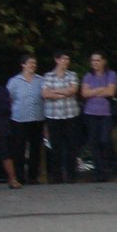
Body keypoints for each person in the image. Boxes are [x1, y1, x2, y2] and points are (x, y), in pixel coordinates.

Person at [41, 51, 82, 183]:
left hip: (70, 115)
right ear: (57, 60)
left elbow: (72, 90)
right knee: (55, 146)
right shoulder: (48, 76)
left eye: (68, 59)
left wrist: (55, 92)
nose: (66, 61)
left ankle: (72, 175)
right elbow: (45, 94)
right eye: (64, 59)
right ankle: (56, 176)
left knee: (71, 146)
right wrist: (62, 93)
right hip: (53, 116)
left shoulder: (72, 75)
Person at [79, 52, 117, 182]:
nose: (95, 63)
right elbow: (84, 93)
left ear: (103, 61)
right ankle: (100, 170)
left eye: (97, 60)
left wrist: (94, 91)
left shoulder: (111, 75)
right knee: (93, 142)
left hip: (106, 113)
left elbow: (110, 91)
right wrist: (100, 90)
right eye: (93, 60)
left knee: (105, 140)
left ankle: (113, 162)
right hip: (90, 113)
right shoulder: (88, 76)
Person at [7, 55, 44, 185]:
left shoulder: (41, 80)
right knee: (19, 149)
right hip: (19, 120)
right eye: (30, 63)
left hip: (37, 119)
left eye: (34, 63)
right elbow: (9, 99)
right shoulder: (14, 81)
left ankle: (33, 176)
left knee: (35, 149)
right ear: (23, 65)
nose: (33, 65)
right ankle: (19, 176)